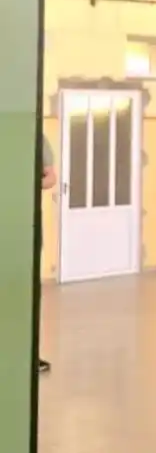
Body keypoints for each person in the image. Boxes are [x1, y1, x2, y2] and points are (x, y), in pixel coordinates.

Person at [37, 133, 55, 375]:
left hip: (25, 228)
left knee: (25, 292)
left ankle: (28, 353)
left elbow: (50, 177)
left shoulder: (37, 137)